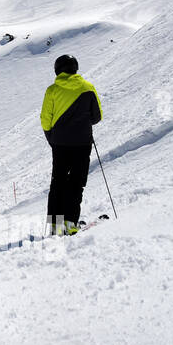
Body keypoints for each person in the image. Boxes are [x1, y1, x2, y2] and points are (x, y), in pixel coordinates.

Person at [40, 55, 103, 235]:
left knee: (58, 182)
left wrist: (52, 138)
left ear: (57, 70)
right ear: (75, 68)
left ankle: (55, 225)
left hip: (59, 144)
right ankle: (70, 224)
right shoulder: (88, 88)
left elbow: (45, 119)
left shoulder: (52, 90)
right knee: (76, 183)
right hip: (82, 143)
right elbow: (97, 116)